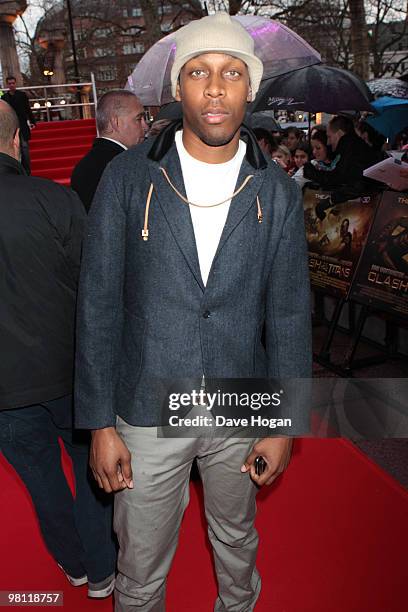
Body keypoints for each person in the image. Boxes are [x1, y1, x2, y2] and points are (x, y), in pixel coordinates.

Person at [75, 12, 311, 612]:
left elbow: (287, 314)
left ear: (249, 88)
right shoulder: (129, 178)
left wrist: (284, 423)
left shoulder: (276, 190)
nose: (214, 88)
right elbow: (98, 304)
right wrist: (100, 424)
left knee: (237, 541)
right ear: (179, 87)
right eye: (199, 72)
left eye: (232, 73)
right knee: (141, 564)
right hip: (148, 404)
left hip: (239, 400)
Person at [0, 100, 116, 598]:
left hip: (4, 390)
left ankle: (74, 563)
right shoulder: (52, 198)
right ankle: (102, 566)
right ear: (16, 140)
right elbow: (95, 285)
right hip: (68, 370)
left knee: (41, 479)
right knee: (93, 468)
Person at [71, 89, 148, 212]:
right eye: (138, 119)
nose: (145, 126)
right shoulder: (124, 165)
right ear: (115, 122)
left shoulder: (85, 164)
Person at [303, 114, 383, 219]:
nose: (328, 142)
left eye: (329, 137)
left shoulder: (353, 151)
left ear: (339, 133)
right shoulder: (350, 148)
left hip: (369, 208)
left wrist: (330, 200)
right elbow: (339, 176)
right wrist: (315, 174)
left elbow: (352, 182)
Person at [2, 76, 36, 174]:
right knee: (13, 149)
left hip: (22, 124)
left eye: (13, 83)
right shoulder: (4, 98)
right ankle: (17, 171)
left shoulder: (22, 95)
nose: (12, 85)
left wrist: (32, 120)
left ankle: (27, 171)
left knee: (25, 149)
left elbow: (27, 109)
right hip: (10, 126)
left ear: (15, 83)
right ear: (7, 85)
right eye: (10, 83)